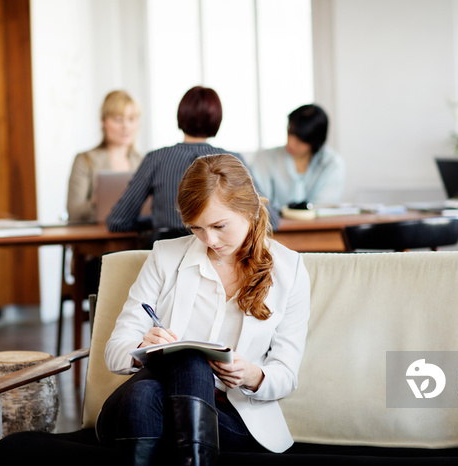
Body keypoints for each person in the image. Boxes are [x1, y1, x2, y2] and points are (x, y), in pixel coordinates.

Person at [96, 154, 311, 465]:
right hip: (141, 404)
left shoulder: (289, 270)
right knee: (181, 368)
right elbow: (115, 351)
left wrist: (250, 373)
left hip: (230, 416)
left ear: (249, 209)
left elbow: (286, 375)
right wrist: (141, 348)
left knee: (169, 380)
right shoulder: (165, 256)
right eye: (196, 228)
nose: (209, 240)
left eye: (219, 225)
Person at [106, 86, 278, 238]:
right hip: (217, 259)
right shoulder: (232, 160)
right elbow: (269, 219)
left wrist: (158, 223)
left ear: (181, 115)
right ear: (217, 118)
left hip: (168, 261)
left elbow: (118, 221)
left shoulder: (156, 158)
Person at [251, 104, 346, 213]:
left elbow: (323, 207)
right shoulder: (265, 159)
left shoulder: (332, 164)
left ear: (315, 141)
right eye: (290, 133)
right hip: (275, 227)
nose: (291, 143)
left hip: (318, 228)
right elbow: (259, 204)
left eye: (300, 140)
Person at [67, 90, 142, 223]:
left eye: (131, 119)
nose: (126, 126)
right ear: (104, 122)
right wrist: (97, 201)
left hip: (134, 237)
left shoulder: (142, 161)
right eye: (118, 119)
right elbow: (73, 212)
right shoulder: (85, 160)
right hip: (95, 239)